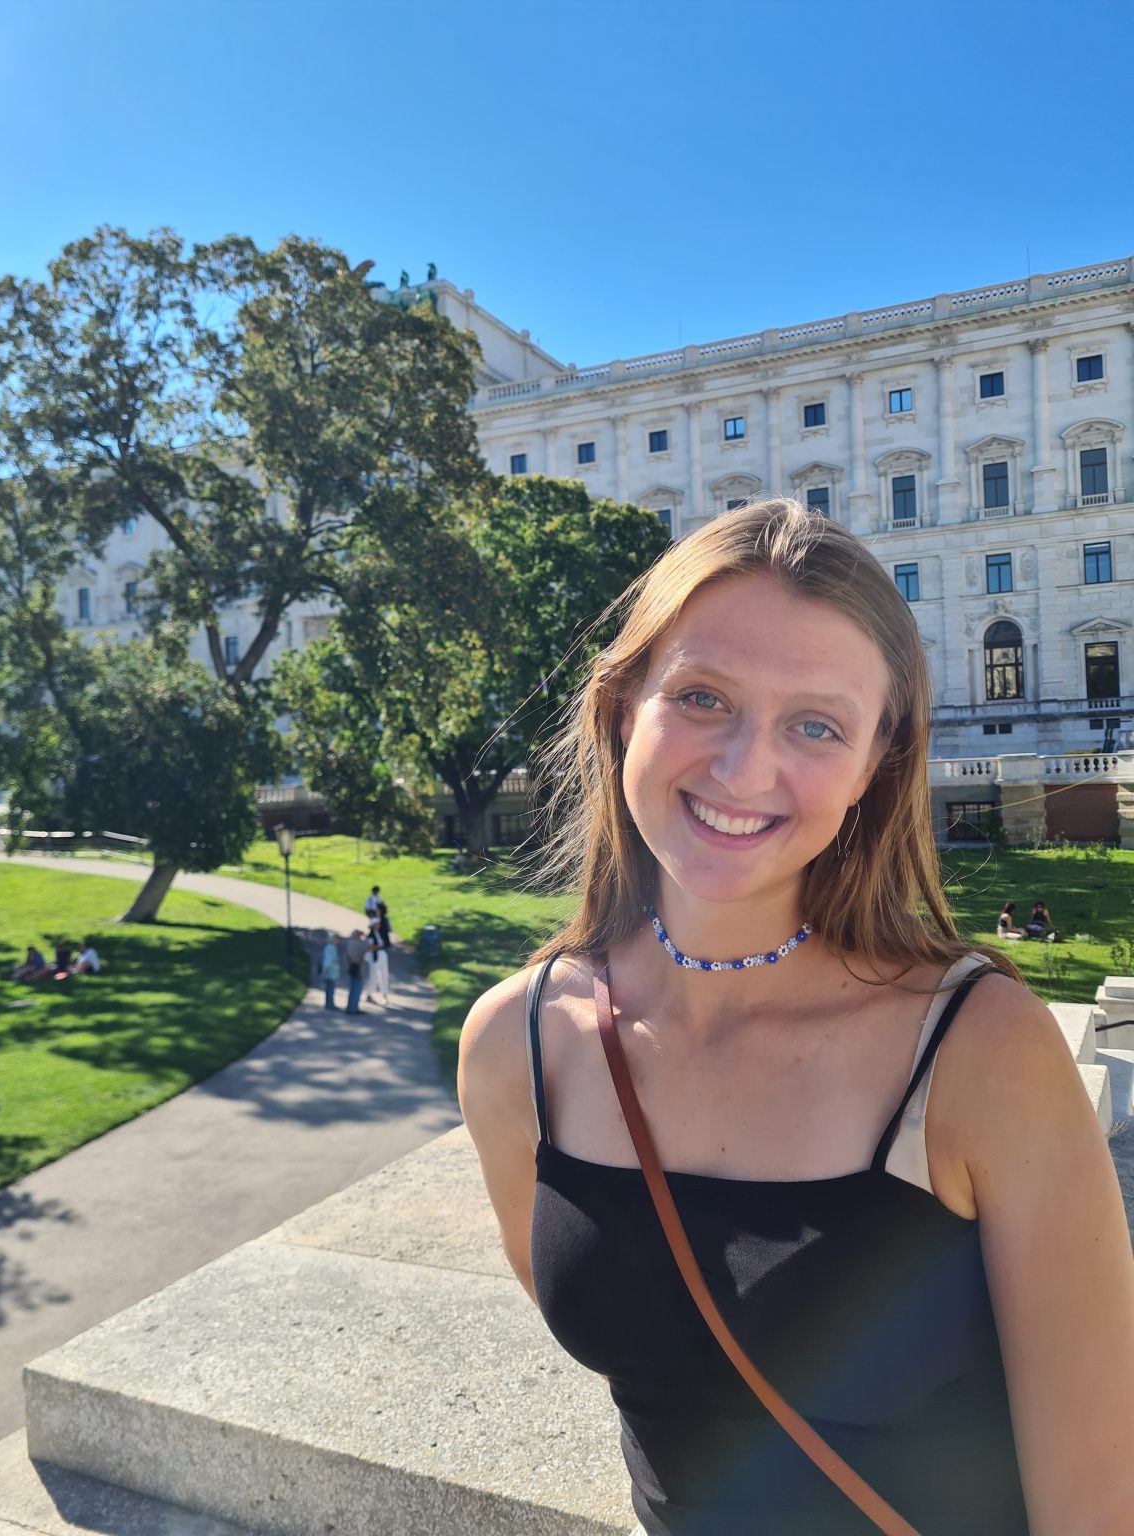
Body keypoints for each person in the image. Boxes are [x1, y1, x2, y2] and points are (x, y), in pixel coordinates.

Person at [458, 500, 1134, 1535]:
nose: (743, 770)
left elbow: (1099, 1502)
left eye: (816, 725)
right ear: (622, 707)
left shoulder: (978, 1052)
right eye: (702, 697)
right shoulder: (518, 1045)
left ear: (875, 764)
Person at [344, 929, 371, 1015]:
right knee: (356, 990)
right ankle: (353, 1009)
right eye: (360, 935)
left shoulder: (350, 943)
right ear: (356, 936)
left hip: (352, 967)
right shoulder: (357, 944)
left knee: (353, 989)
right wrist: (366, 937)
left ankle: (350, 1008)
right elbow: (368, 946)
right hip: (357, 968)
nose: (361, 937)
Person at [371, 901, 391, 1003]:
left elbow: (386, 937)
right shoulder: (374, 920)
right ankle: (370, 993)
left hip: (381, 951)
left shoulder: (383, 922)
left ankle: (384, 994)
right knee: (374, 973)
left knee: (383, 973)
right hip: (375, 951)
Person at [319, 933, 341, 1010]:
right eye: (337, 939)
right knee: (330, 990)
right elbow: (328, 961)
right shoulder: (331, 948)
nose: (338, 941)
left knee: (329, 989)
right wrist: (326, 971)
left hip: (331, 972)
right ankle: (330, 1005)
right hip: (330, 973)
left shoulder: (330, 947)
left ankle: (329, 1004)